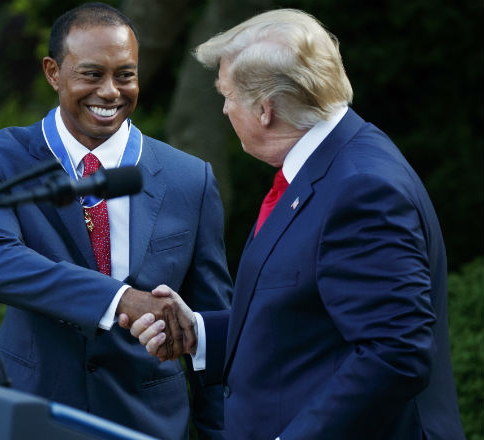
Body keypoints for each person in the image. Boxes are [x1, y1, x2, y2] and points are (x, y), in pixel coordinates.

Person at [123, 8, 465, 440]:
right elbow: (307, 323)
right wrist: (201, 333)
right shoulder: (323, 166)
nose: (225, 108)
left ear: (265, 109)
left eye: (226, 94)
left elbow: (395, 354)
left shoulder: (361, 188)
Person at [0, 3, 232, 439]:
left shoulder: (189, 178)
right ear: (53, 72)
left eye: (125, 75)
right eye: (91, 74)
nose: (110, 91)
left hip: (146, 421)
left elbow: (211, 319)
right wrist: (121, 300)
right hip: (29, 412)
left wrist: (222, 433)